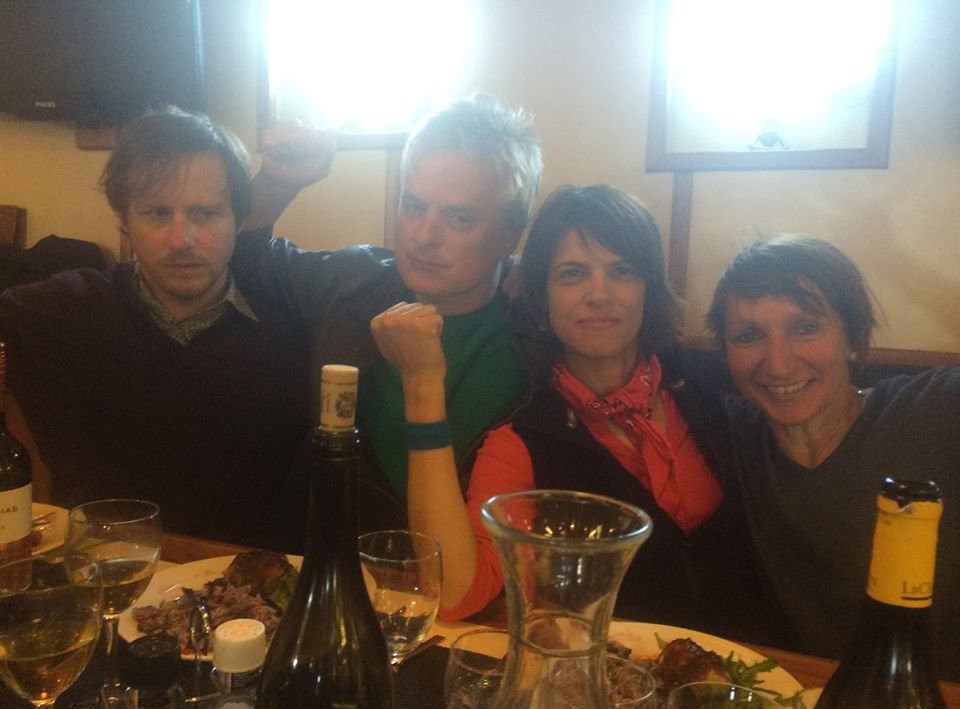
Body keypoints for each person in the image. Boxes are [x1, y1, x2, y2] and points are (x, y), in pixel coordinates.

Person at [375, 185, 767, 637]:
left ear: (649, 288)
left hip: (754, 663)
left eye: (622, 271)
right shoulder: (523, 439)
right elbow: (457, 592)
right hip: (605, 666)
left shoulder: (704, 387)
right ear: (542, 297)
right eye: (573, 274)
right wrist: (423, 386)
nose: (599, 294)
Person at [0, 109, 383, 547]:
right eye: (157, 214)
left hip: (258, 580)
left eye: (206, 213)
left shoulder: (294, 314)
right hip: (110, 576)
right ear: (124, 222)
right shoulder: (65, 311)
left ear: (240, 220)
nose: (181, 238)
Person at [242, 94, 544, 526]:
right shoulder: (352, 283)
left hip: (460, 564)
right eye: (414, 206)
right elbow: (243, 260)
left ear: (510, 236)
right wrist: (276, 182)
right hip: (330, 554)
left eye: (459, 218)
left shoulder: (534, 350)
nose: (424, 235)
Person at [706, 234, 960, 680]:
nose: (778, 365)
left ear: (853, 338)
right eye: (749, 336)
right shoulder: (726, 435)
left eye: (805, 328)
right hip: (800, 692)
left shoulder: (937, 410)